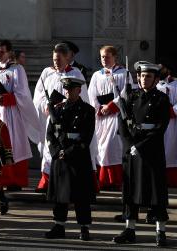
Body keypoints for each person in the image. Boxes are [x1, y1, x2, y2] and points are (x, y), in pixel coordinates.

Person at [113, 61, 171, 247]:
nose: (144, 79)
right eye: (141, 76)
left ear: (155, 79)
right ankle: (130, 229)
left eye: (148, 76)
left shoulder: (162, 99)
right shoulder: (131, 96)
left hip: (151, 149)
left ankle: (160, 230)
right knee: (131, 189)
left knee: (156, 191)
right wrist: (130, 144)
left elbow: (160, 128)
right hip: (132, 148)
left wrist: (140, 146)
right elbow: (122, 123)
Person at [0, 39, 41, 190]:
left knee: (14, 144)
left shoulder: (17, 69)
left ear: (9, 53)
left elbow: (23, 94)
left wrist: (6, 98)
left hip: (12, 113)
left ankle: (14, 180)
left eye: (2, 52)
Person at [43, 74, 95, 242]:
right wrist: (57, 151)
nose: (67, 92)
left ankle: (84, 227)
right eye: (65, 89)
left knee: (81, 196)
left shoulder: (88, 110)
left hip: (78, 156)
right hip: (60, 156)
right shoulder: (57, 109)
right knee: (60, 194)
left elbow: (86, 136)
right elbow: (50, 134)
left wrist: (70, 151)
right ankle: (59, 225)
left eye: (71, 89)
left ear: (79, 90)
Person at [33, 43, 89, 192]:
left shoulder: (75, 74)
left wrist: (64, 105)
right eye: (54, 59)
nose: (56, 62)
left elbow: (82, 97)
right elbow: (38, 94)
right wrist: (45, 104)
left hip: (68, 119)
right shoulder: (47, 72)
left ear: (67, 58)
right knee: (49, 148)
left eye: (59, 59)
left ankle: (65, 181)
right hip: (50, 117)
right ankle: (46, 181)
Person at [87, 45, 132, 190]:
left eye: (107, 56)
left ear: (115, 57)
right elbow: (91, 95)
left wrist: (111, 106)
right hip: (100, 116)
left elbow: (127, 93)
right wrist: (99, 109)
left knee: (111, 146)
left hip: (116, 115)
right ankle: (102, 180)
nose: (104, 59)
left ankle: (115, 180)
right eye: (102, 57)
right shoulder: (97, 75)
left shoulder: (124, 73)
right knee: (99, 146)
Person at [156, 63, 177, 188]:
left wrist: (169, 111)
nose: (159, 70)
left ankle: (175, 180)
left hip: (174, 123)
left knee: (174, 149)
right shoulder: (157, 84)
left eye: (161, 67)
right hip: (160, 123)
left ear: (168, 69)